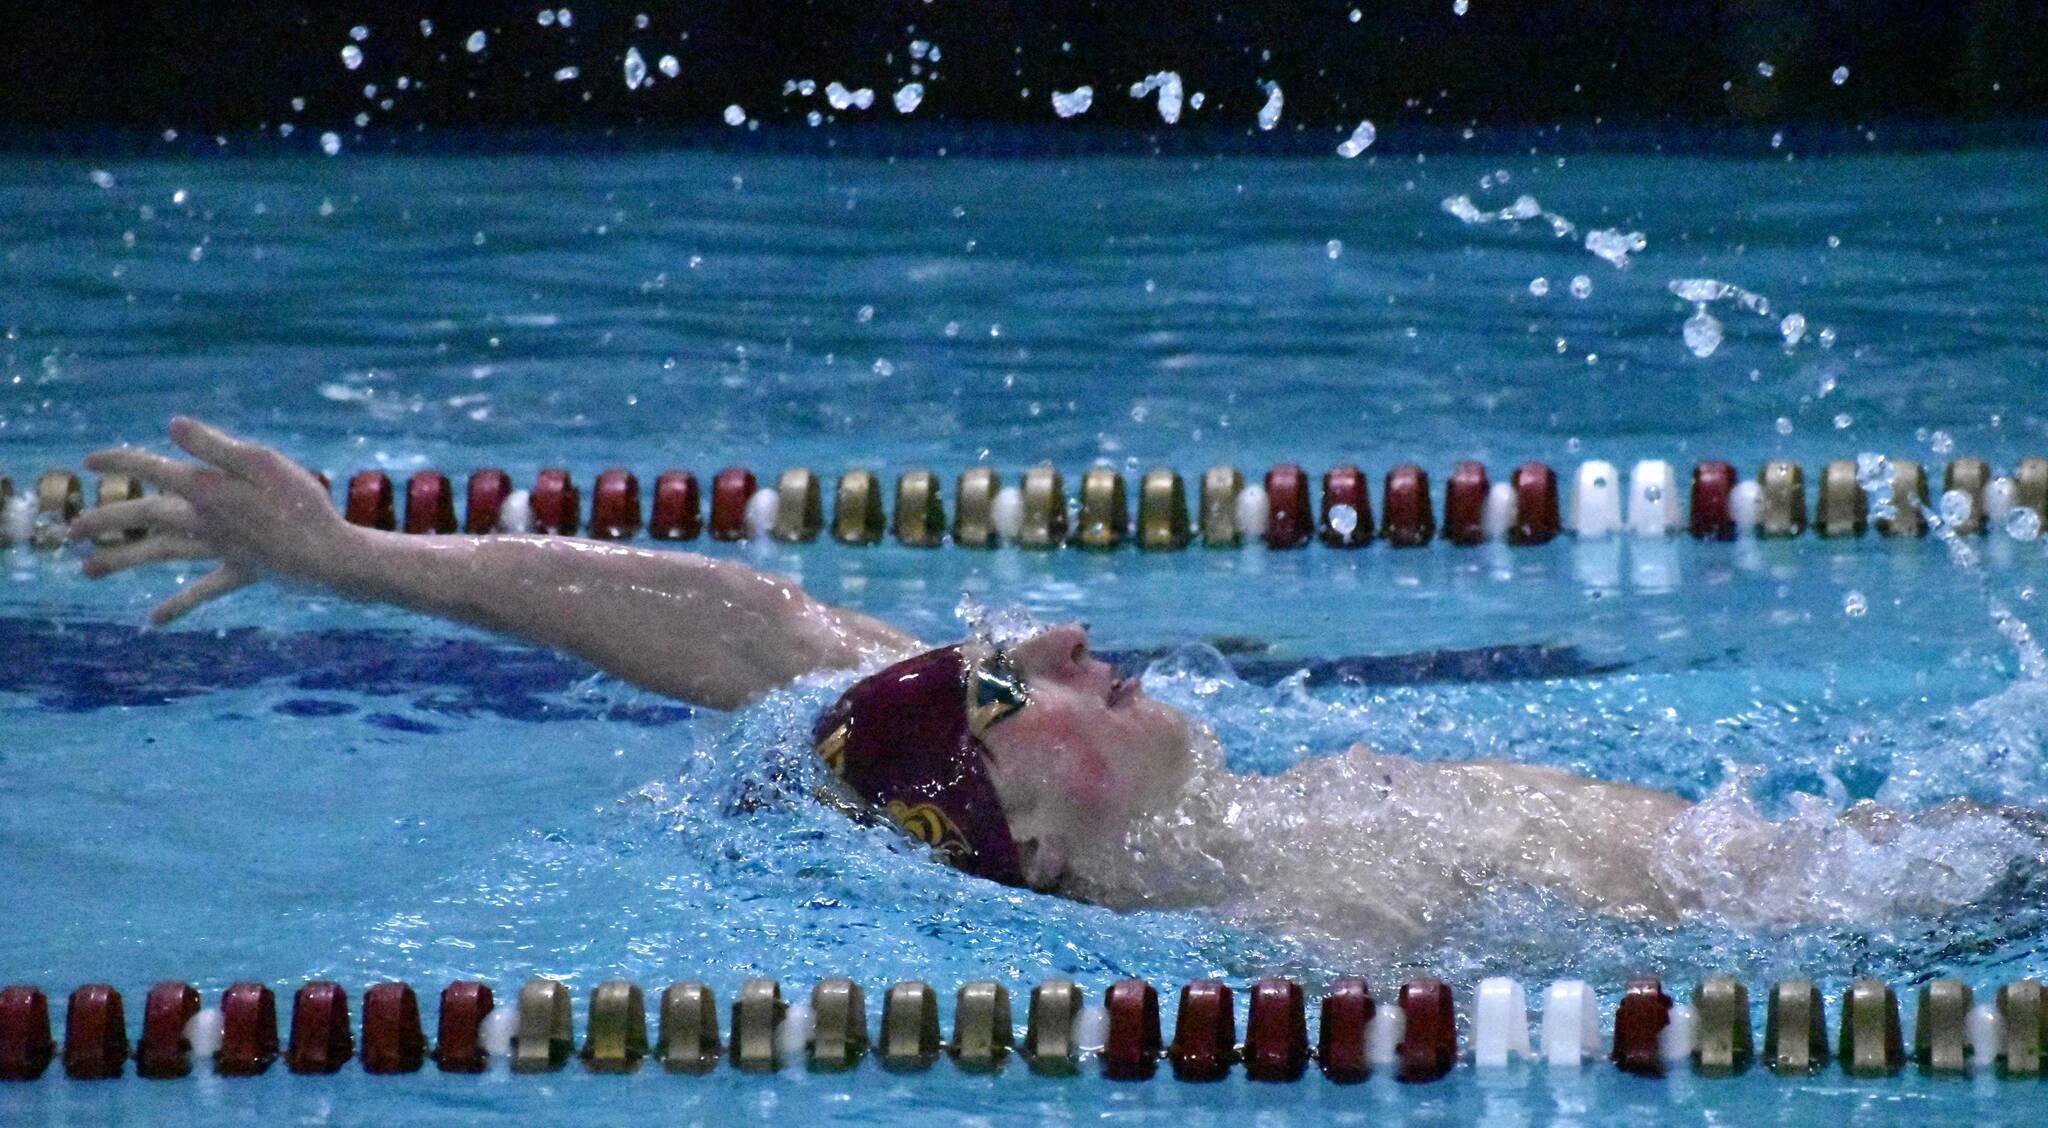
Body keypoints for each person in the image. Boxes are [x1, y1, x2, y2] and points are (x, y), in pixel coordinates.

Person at [70, 418, 2040, 947]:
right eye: (1025, 683)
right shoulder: (1319, 931)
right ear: (1026, 818)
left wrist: (350, 556)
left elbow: (747, 634)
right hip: (1930, 916)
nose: (1077, 639)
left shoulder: (1230, 822)